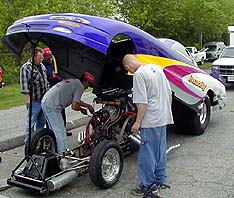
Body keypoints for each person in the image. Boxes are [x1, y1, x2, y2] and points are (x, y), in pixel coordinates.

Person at [122, 54, 174, 197]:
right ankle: (160, 179)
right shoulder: (157, 68)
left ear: (127, 67)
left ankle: (148, 186)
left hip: (151, 120)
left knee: (147, 154)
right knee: (160, 150)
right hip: (163, 117)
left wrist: (137, 122)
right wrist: (165, 112)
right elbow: (169, 94)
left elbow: (142, 103)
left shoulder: (139, 75)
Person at [41, 72, 95, 155]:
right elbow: (74, 106)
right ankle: (63, 155)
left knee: (54, 130)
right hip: (53, 105)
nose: (88, 87)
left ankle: (55, 151)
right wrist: (81, 110)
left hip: (46, 101)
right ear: (86, 82)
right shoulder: (80, 86)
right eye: (89, 84)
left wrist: (88, 106)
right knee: (60, 132)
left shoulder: (74, 81)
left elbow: (75, 99)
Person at [20, 47, 50, 142]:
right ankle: (28, 143)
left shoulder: (42, 66)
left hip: (43, 99)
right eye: (39, 58)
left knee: (42, 121)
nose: (41, 60)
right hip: (34, 100)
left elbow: (46, 81)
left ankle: (37, 140)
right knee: (31, 122)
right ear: (33, 56)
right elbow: (24, 85)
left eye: (42, 58)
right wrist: (28, 100)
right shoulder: (26, 68)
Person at [42, 48, 71, 136]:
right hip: (49, 91)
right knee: (50, 113)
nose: (50, 59)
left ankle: (63, 129)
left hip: (59, 90)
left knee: (61, 111)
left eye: (50, 57)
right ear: (44, 57)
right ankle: (51, 132)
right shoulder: (43, 66)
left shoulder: (54, 62)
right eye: (47, 57)